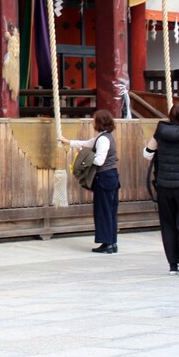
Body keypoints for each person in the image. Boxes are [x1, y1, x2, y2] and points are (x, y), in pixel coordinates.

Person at [143, 101, 179, 275]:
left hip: (164, 185)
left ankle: (173, 265)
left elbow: (147, 154)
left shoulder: (161, 131)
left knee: (168, 224)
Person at [59, 108, 120, 254]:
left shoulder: (103, 139)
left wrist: (84, 157)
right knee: (110, 210)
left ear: (99, 122)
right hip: (110, 177)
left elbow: (99, 161)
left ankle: (107, 244)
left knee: (103, 211)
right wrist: (68, 142)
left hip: (104, 177)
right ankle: (112, 242)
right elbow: (87, 142)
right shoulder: (103, 137)